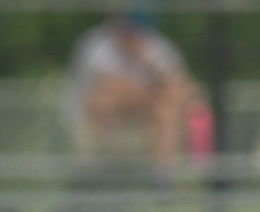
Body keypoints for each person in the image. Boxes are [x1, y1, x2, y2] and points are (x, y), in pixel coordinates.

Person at [66, 13, 203, 168]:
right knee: (114, 87)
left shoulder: (155, 46)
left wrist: (145, 61)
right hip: (102, 117)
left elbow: (181, 85)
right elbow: (106, 92)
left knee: (171, 103)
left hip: (147, 114)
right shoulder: (99, 46)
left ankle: (165, 174)